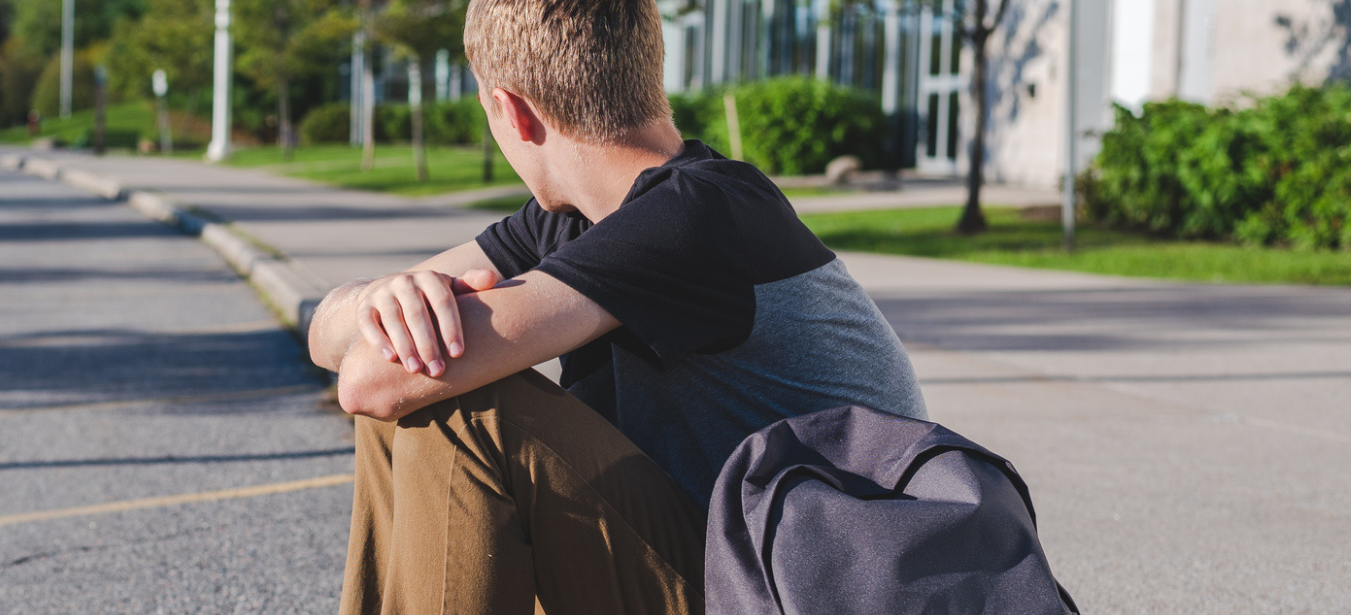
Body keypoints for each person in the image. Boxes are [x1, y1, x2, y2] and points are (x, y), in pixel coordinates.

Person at [306, 0, 928, 611]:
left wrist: (392, 330)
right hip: (734, 568)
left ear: (510, 111)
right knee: (421, 367)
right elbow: (324, 337)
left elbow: (370, 379)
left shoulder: (695, 217)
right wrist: (381, 300)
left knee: (461, 402)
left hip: (786, 593)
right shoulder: (584, 217)